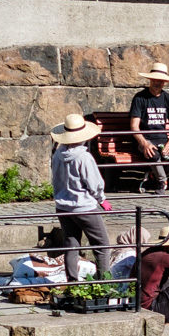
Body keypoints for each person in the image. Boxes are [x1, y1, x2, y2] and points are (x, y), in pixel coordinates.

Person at [50, 113, 113, 290]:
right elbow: (94, 183)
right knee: (102, 245)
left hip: (63, 207)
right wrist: (102, 199)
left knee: (71, 245)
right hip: (84, 207)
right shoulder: (84, 157)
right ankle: (104, 284)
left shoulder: (58, 154)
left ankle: (73, 283)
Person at [128, 62, 169, 194]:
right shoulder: (140, 98)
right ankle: (162, 182)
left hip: (163, 139)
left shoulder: (168, 98)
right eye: (155, 79)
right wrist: (144, 144)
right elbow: (134, 126)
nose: (158, 82)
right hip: (145, 139)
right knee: (153, 154)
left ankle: (152, 177)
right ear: (150, 79)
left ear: (165, 82)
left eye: (161, 80)